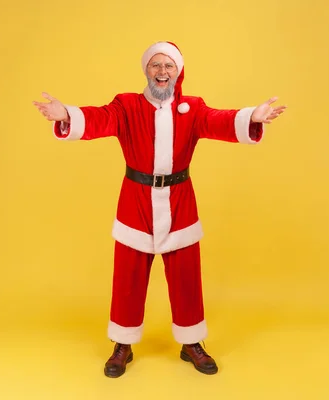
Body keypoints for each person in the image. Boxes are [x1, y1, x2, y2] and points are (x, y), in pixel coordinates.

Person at [33, 41, 286, 378]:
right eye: (156, 65)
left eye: (168, 66)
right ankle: (123, 344)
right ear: (146, 71)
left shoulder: (193, 109)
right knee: (128, 276)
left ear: (177, 71)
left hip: (180, 201)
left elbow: (218, 121)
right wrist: (67, 115)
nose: (162, 72)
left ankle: (191, 342)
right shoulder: (127, 106)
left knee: (186, 277)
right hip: (135, 201)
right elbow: (99, 118)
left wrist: (251, 116)